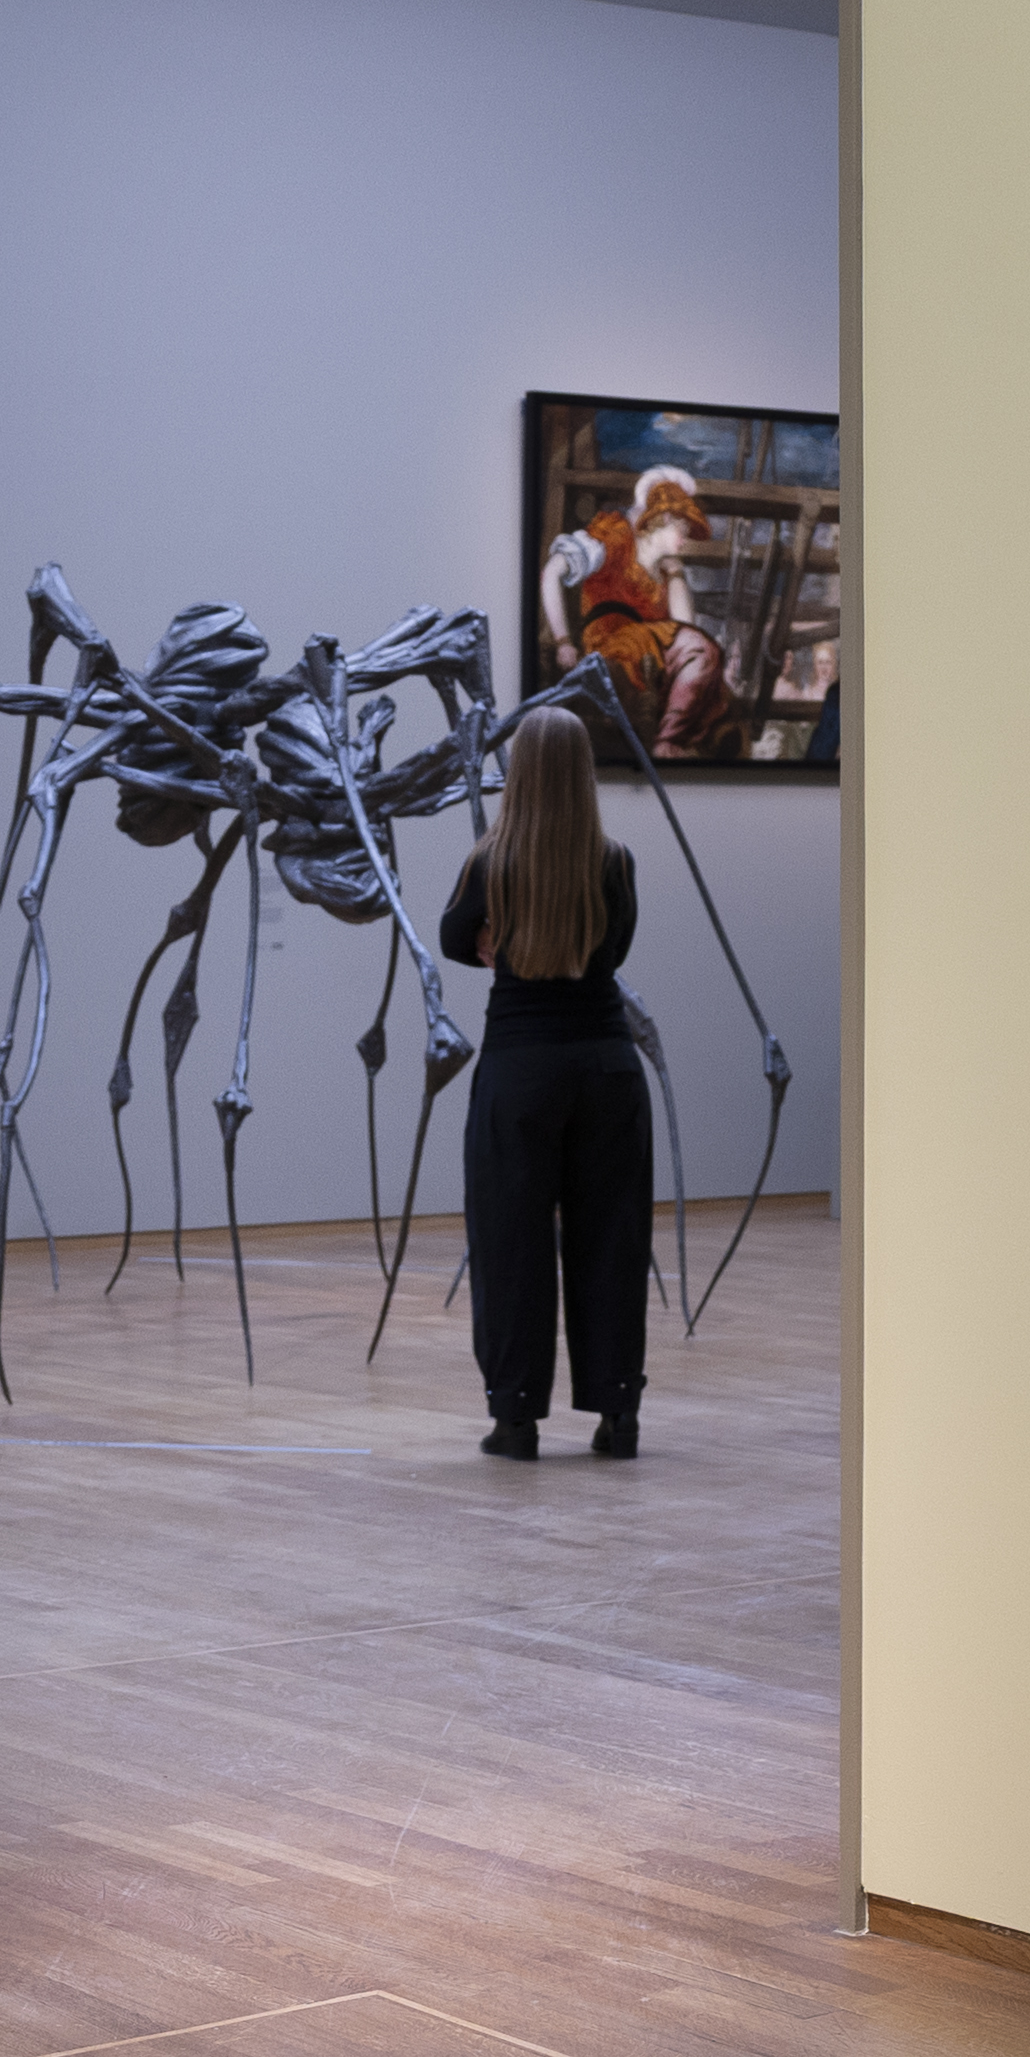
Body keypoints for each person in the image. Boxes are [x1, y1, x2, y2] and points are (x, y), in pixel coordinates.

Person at [435, 702, 647, 1460]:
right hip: (606, 1066)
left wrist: (498, 938)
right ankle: (618, 1415)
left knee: (510, 1241)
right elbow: (615, 950)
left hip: (520, 1069)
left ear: (519, 772)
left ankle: (516, 1419)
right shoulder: (614, 860)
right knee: (612, 1238)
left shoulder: (489, 863)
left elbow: (454, 940)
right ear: (584, 772)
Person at [541, 464, 732, 757]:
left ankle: (668, 742)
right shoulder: (616, 537)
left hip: (648, 656)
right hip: (611, 647)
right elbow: (552, 572)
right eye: (681, 527)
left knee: (705, 662)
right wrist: (563, 640)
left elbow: (685, 630)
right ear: (662, 519)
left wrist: (676, 574)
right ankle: (667, 743)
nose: (686, 537)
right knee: (702, 651)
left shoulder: (665, 573)